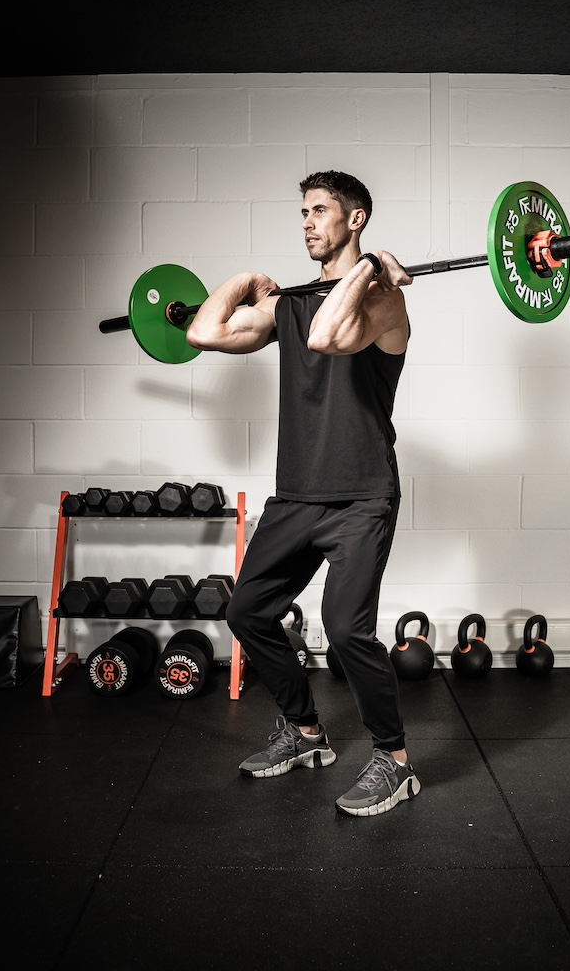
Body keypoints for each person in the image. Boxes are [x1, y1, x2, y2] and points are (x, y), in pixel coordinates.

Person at [186, 170, 420, 817]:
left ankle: (393, 761)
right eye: (302, 213)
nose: (307, 223)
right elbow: (201, 334)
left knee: (346, 629)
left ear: (356, 218)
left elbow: (327, 336)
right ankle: (307, 733)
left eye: (319, 211)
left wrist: (372, 268)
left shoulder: (383, 303)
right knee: (246, 614)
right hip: (296, 496)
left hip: (362, 495)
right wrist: (245, 283)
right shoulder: (288, 304)